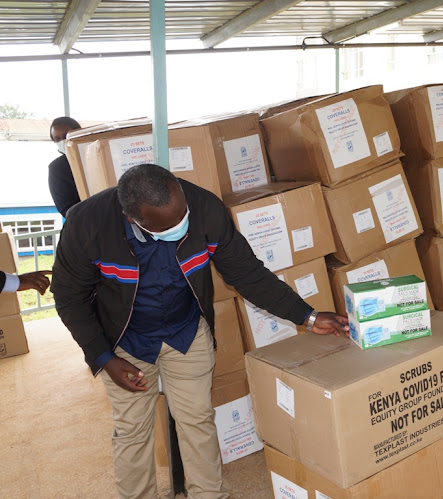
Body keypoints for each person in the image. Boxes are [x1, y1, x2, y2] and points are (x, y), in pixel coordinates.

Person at [51, 163, 349, 498]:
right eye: (169, 226)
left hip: (186, 332)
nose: (182, 226)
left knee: (198, 423)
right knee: (132, 431)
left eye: (183, 215)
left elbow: (247, 274)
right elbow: (68, 299)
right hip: (124, 342)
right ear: (132, 217)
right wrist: (105, 358)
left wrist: (306, 316)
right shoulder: (87, 224)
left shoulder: (205, 208)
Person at [49, 116, 82, 217]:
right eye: (57, 139)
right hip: (85, 225)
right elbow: (65, 208)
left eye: (66, 135)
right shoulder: (57, 168)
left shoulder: (98, 155)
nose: (63, 141)